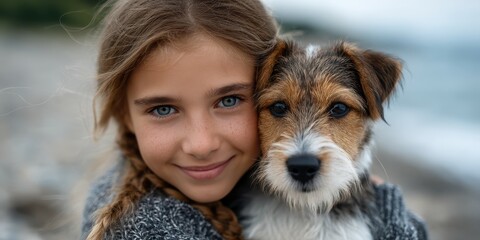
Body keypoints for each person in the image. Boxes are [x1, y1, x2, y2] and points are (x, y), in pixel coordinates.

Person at [81, 0, 427, 239]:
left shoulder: (230, 187)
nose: (202, 144)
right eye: (278, 109)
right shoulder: (153, 224)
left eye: (337, 110)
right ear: (124, 114)